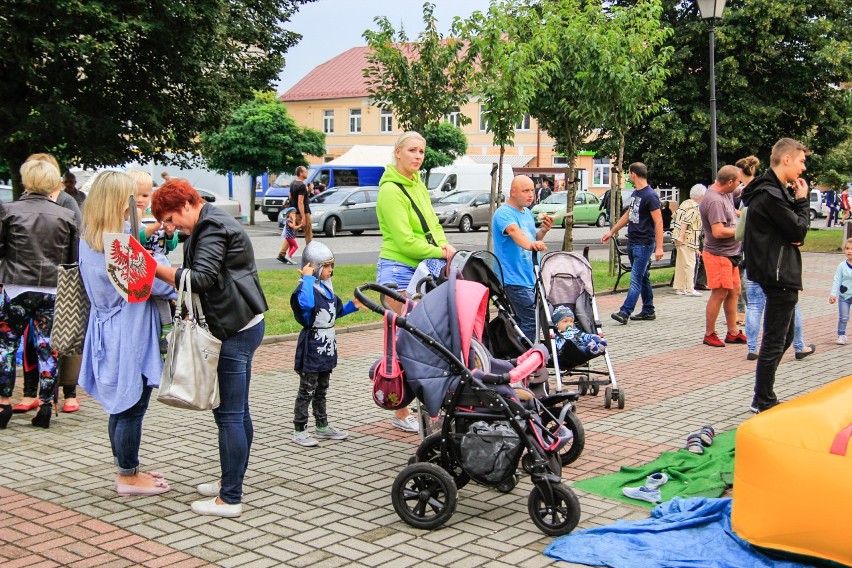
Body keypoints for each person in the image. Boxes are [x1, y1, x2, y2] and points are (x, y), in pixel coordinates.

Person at [152, 178, 268, 518]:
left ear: (186, 205)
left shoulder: (212, 226)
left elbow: (202, 278)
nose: (171, 228)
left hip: (233, 327)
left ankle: (230, 497)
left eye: (171, 220)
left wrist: (154, 270)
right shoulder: (209, 221)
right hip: (241, 323)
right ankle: (230, 481)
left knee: (230, 414)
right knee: (235, 412)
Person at [77, 171, 175, 495]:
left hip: (108, 328)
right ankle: (127, 476)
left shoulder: (90, 236)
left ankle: (127, 467)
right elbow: (155, 283)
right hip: (127, 333)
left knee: (119, 404)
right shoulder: (116, 242)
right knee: (132, 404)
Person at [376, 131, 455, 433]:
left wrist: (445, 248)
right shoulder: (391, 190)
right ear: (397, 152)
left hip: (423, 268)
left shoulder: (416, 183)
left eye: (421, 151)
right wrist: (440, 251)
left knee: (425, 340)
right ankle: (399, 410)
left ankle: (428, 405)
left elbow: (432, 224)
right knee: (401, 342)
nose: (418, 156)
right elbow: (405, 241)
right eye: (412, 150)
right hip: (398, 270)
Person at [0, 159, 78, 429]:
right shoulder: (66, 216)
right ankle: (46, 404)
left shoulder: (8, 210)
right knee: (48, 348)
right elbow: (71, 260)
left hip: (16, 286)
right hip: (52, 289)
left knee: (6, 347)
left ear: (25, 181)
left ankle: (3, 402)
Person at [741, 138, 810, 413]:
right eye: (801, 161)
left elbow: (793, 230)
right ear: (786, 160)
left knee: (786, 336)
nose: (803, 168)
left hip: (777, 270)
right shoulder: (770, 193)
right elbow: (798, 232)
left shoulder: (774, 191)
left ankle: (763, 394)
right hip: (779, 273)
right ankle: (763, 399)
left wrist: (795, 212)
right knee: (774, 340)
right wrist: (802, 202)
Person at [290, 241, 362, 447]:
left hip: (327, 347)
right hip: (312, 348)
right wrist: (307, 278)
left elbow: (334, 312)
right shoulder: (305, 290)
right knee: (307, 390)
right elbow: (307, 305)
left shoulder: (326, 290)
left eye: (332, 266)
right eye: (327, 266)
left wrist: (353, 305)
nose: (331, 270)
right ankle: (299, 429)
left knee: (322, 388)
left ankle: (322, 426)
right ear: (314, 267)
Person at [493, 175, 552, 343]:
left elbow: (532, 237)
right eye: (525, 191)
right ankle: (527, 361)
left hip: (530, 277)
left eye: (532, 190)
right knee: (530, 321)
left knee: (518, 322)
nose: (530, 195)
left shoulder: (526, 212)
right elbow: (514, 232)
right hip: (513, 280)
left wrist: (544, 231)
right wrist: (532, 246)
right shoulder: (503, 213)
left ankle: (516, 358)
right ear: (512, 192)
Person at [601, 162, 663, 324]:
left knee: (635, 278)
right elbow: (629, 214)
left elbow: (659, 222)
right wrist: (612, 231)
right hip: (633, 241)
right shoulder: (637, 193)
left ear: (633, 174)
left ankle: (624, 312)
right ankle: (648, 310)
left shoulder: (650, 195)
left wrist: (659, 247)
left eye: (629, 173)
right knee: (643, 278)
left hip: (644, 244)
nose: (628, 176)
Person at [698, 165, 745, 347]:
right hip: (718, 254)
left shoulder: (724, 191)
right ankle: (709, 333)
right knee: (719, 292)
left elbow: (740, 190)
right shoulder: (715, 201)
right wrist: (740, 231)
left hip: (731, 253)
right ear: (730, 182)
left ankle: (733, 332)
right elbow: (718, 231)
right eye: (738, 181)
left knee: (734, 291)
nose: (739, 185)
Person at [671, 184, 705, 296]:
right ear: (701, 196)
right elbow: (686, 221)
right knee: (690, 263)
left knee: (681, 263)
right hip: (688, 238)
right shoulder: (694, 207)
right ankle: (690, 288)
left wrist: (679, 235)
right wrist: (682, 236)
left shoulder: (684, 204)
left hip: (679, 237)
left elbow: (675, 216)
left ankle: (680, 288)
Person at [829, 238, 852, 345]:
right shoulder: (842, 266)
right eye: (847, 248)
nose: (849, 251)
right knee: (844, 317)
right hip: (844, 296)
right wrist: (833, 294)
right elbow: (837, 280)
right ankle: (841, 335)